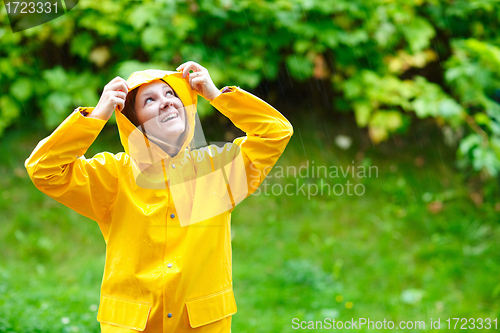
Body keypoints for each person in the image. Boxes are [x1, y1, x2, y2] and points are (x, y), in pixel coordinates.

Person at [25, 61, 293, 332]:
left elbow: (276, 132)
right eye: (149, 100)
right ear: (134, 122)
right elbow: (44, 170)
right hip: (133, 325)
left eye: (172, 94)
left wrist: (216, 95)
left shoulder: (218, 168)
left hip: (202, 324)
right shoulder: (114, 176)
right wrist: (96, 117)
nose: (166, 103)